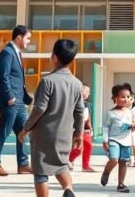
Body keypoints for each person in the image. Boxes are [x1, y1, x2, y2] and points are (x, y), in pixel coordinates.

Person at [19, 39, 85, 197]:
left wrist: (26, 128)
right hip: (65, 135)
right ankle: (68, 190)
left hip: (44, 136)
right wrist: (79, 133)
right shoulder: (77, 84)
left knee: (40, 173)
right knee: (61, 166)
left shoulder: (47, 81)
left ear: (54, 57)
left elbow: (39, 108)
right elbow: (80, 111)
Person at [0, 25, 34, 176]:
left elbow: (17, 78)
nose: (29, 42)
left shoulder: (16, 53)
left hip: (20, 102)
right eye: (28, 38)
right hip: (11, 101)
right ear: (19, 37)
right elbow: (3, 77)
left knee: (23, 132)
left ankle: (23, 164)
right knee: (4, 131)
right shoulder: (7, 53)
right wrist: (9, 96)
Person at [101, 84, 135, 193]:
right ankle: (107, 171)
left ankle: (121, 184)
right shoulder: (111, 113)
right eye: (123, 97)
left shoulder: (130, 112)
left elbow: (133, 125)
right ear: (114, 98)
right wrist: (105, 140)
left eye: (128, 97)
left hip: (126, 141)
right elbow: (105, 127)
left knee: (123, 162)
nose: (126, 99)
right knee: (114, 159)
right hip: (114, 139)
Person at [68, 84, 95, 172]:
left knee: (88, 145)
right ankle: (69, 160)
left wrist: (89, 126)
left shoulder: (88, 104)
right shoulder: (72, 103)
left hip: (85, 128)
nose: (88, 93)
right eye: (86, 91)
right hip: (74, 128)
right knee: (77, 149)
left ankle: (86, 165)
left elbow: (88, 116)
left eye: (89, 92)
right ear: (80, 91)